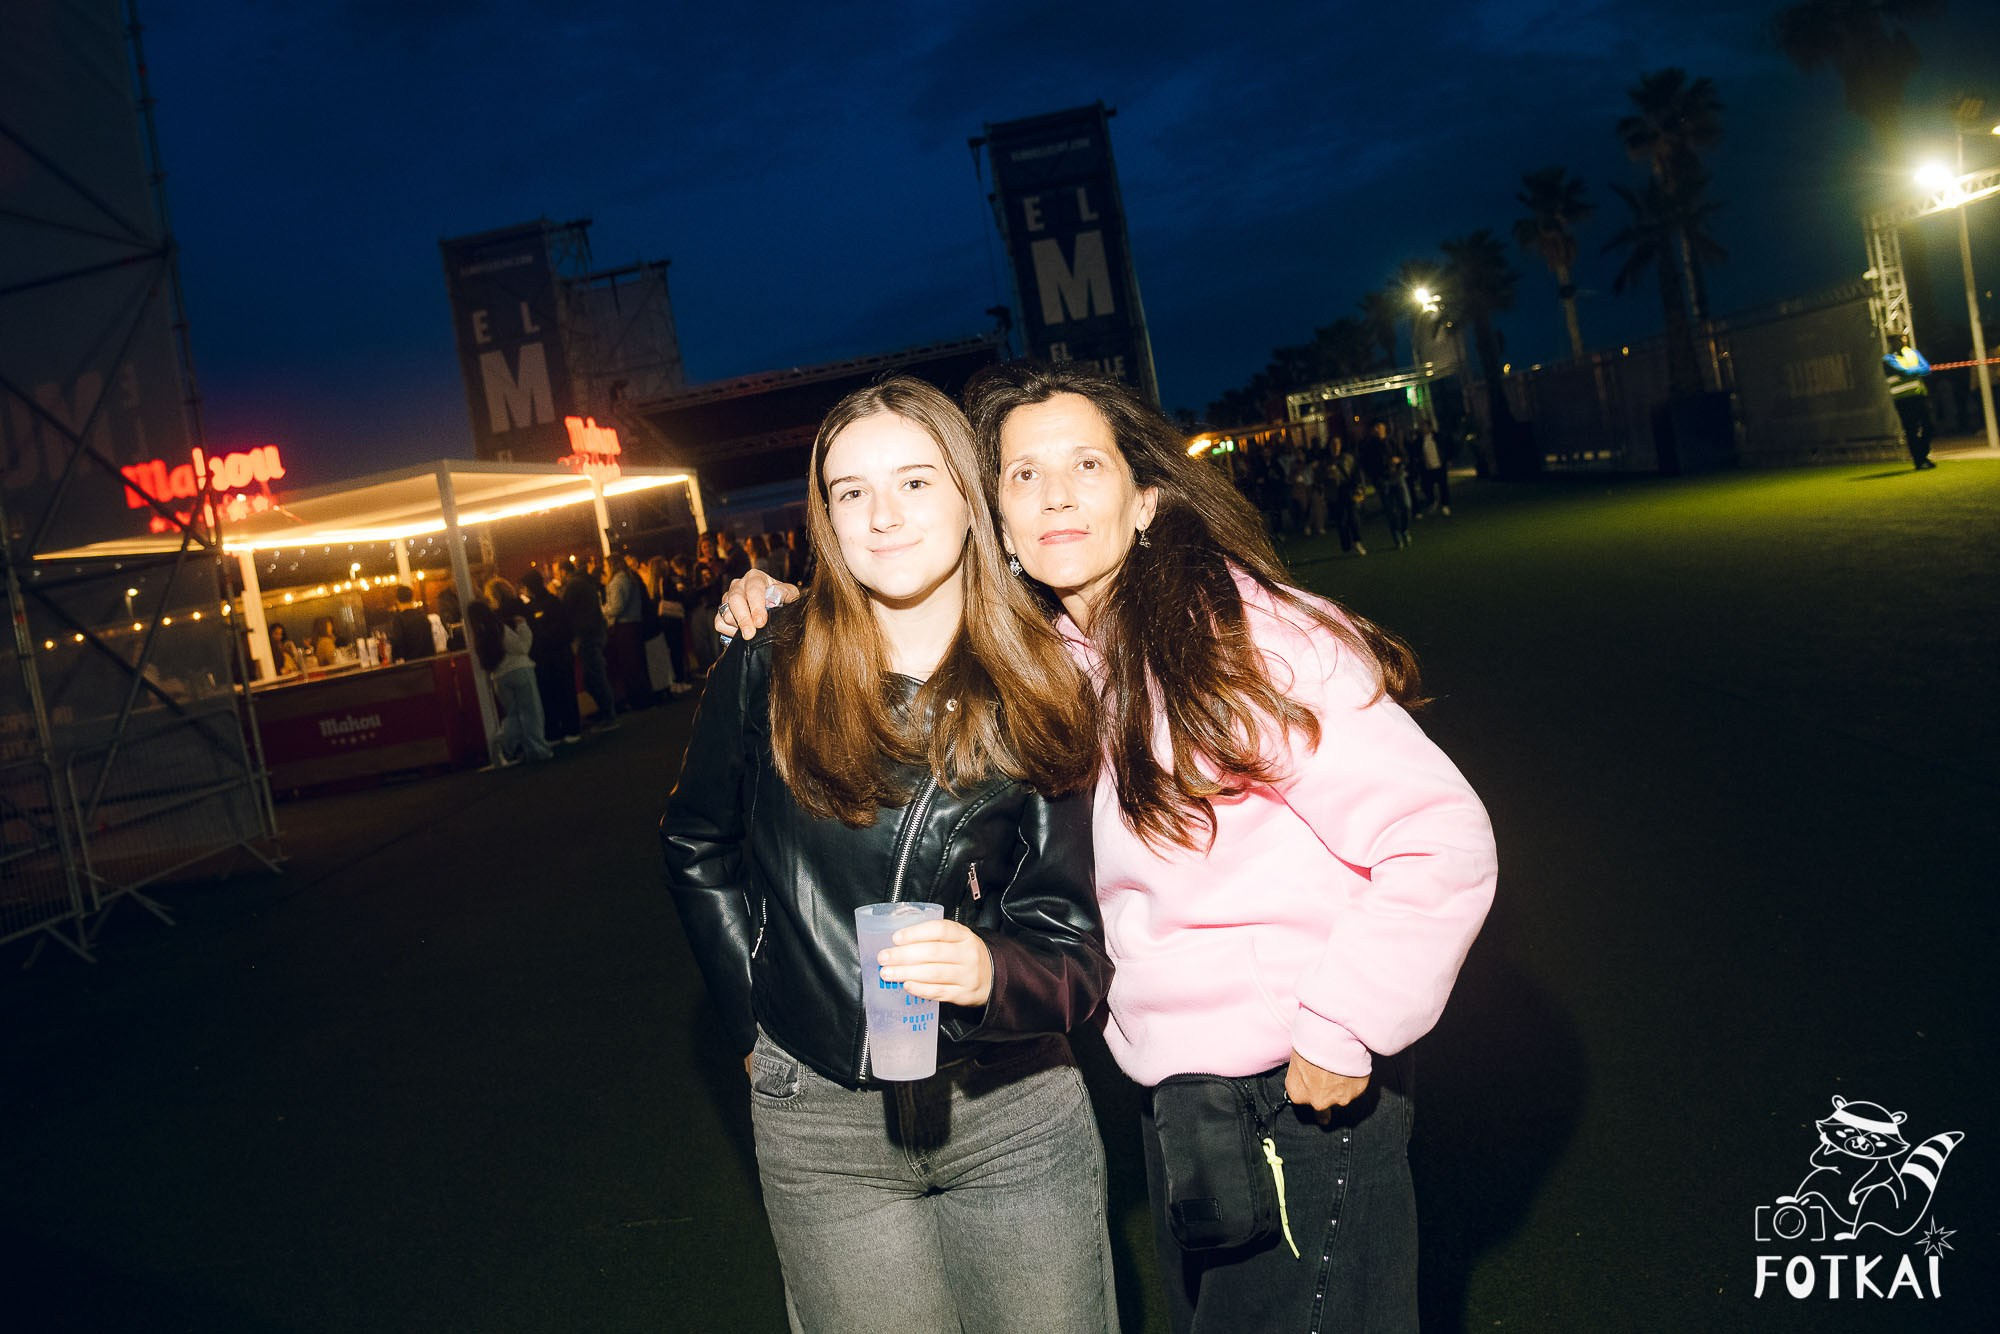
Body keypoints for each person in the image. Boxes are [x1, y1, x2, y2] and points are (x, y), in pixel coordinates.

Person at [724, 362, 1496, 1333]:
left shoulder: (1246, 638)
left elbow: (1438, 836)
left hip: (1295, 1089)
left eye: (1085, 464)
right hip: (1181, 1098)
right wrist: (790, 604)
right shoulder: (1062, 661)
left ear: (1145, 500)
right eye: (1021, 474)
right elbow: (904, 625)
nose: (1054, 493)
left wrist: (1345, 1024)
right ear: (993, 521)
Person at [662, 378, 1118, 1334]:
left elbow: (1073, 944)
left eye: (915, 482)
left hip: (1011, 1110)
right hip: (820, 1120)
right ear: (824, 516)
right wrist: (756, 1026)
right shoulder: (770, 657)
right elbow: (699, 844)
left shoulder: (1043, 682)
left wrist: (993, 968)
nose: (882, 515)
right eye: (849, 490)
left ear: (970, 500)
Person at [467, 587, 552, 766]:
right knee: (531, 713)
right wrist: (523, 626)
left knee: (513, 714)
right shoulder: (498, 628)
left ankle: (503, 741)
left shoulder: (478, 636)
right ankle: (537, 749)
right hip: (519, 670)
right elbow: (521, 647)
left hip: (499, 677)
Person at [519, 569, 582, 745]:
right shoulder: (552, 602)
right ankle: (569, 729)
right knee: (561, 693)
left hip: (552, 656)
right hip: (557, 655)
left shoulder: (540, 606)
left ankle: (561, 730)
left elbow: (561, 629)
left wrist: (541, 638)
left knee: (554, 694)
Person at [560, 557, 618, 730]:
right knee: (594, 676)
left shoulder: (573, 585)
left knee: (594, 677)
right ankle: (607, 712)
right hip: (595, 632)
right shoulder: (584, 583)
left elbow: (565, 609)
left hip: (588, 635)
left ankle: (609, 715)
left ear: (564, 572)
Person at [603, 548, 655, 711]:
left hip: (625, 627)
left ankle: (638, 700)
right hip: (635, 624)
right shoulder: (629, 578)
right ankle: (644, 698)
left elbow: (617, 607)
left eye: (606, 565)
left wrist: (603, 610)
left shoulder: (618, 581)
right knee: (638, 663)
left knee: (630, 665)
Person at [1883, 344, 1935, 470]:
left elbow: (1927, 369)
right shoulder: (1888, 360)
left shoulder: (1913, 353)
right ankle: (1920, 460)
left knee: (1930, 425)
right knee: (1911, 430)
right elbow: (1904, 371)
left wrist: (1911, 371)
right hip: (1902, 400)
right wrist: (1916, 370)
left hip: (1918, 396)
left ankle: (1921, 455)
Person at [388, 585, 434, 663]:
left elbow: (398, 642)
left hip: (411, 664)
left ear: (397, 600)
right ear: (412, 598)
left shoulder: (398, 619)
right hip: (429, 661)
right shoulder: (422, 615)